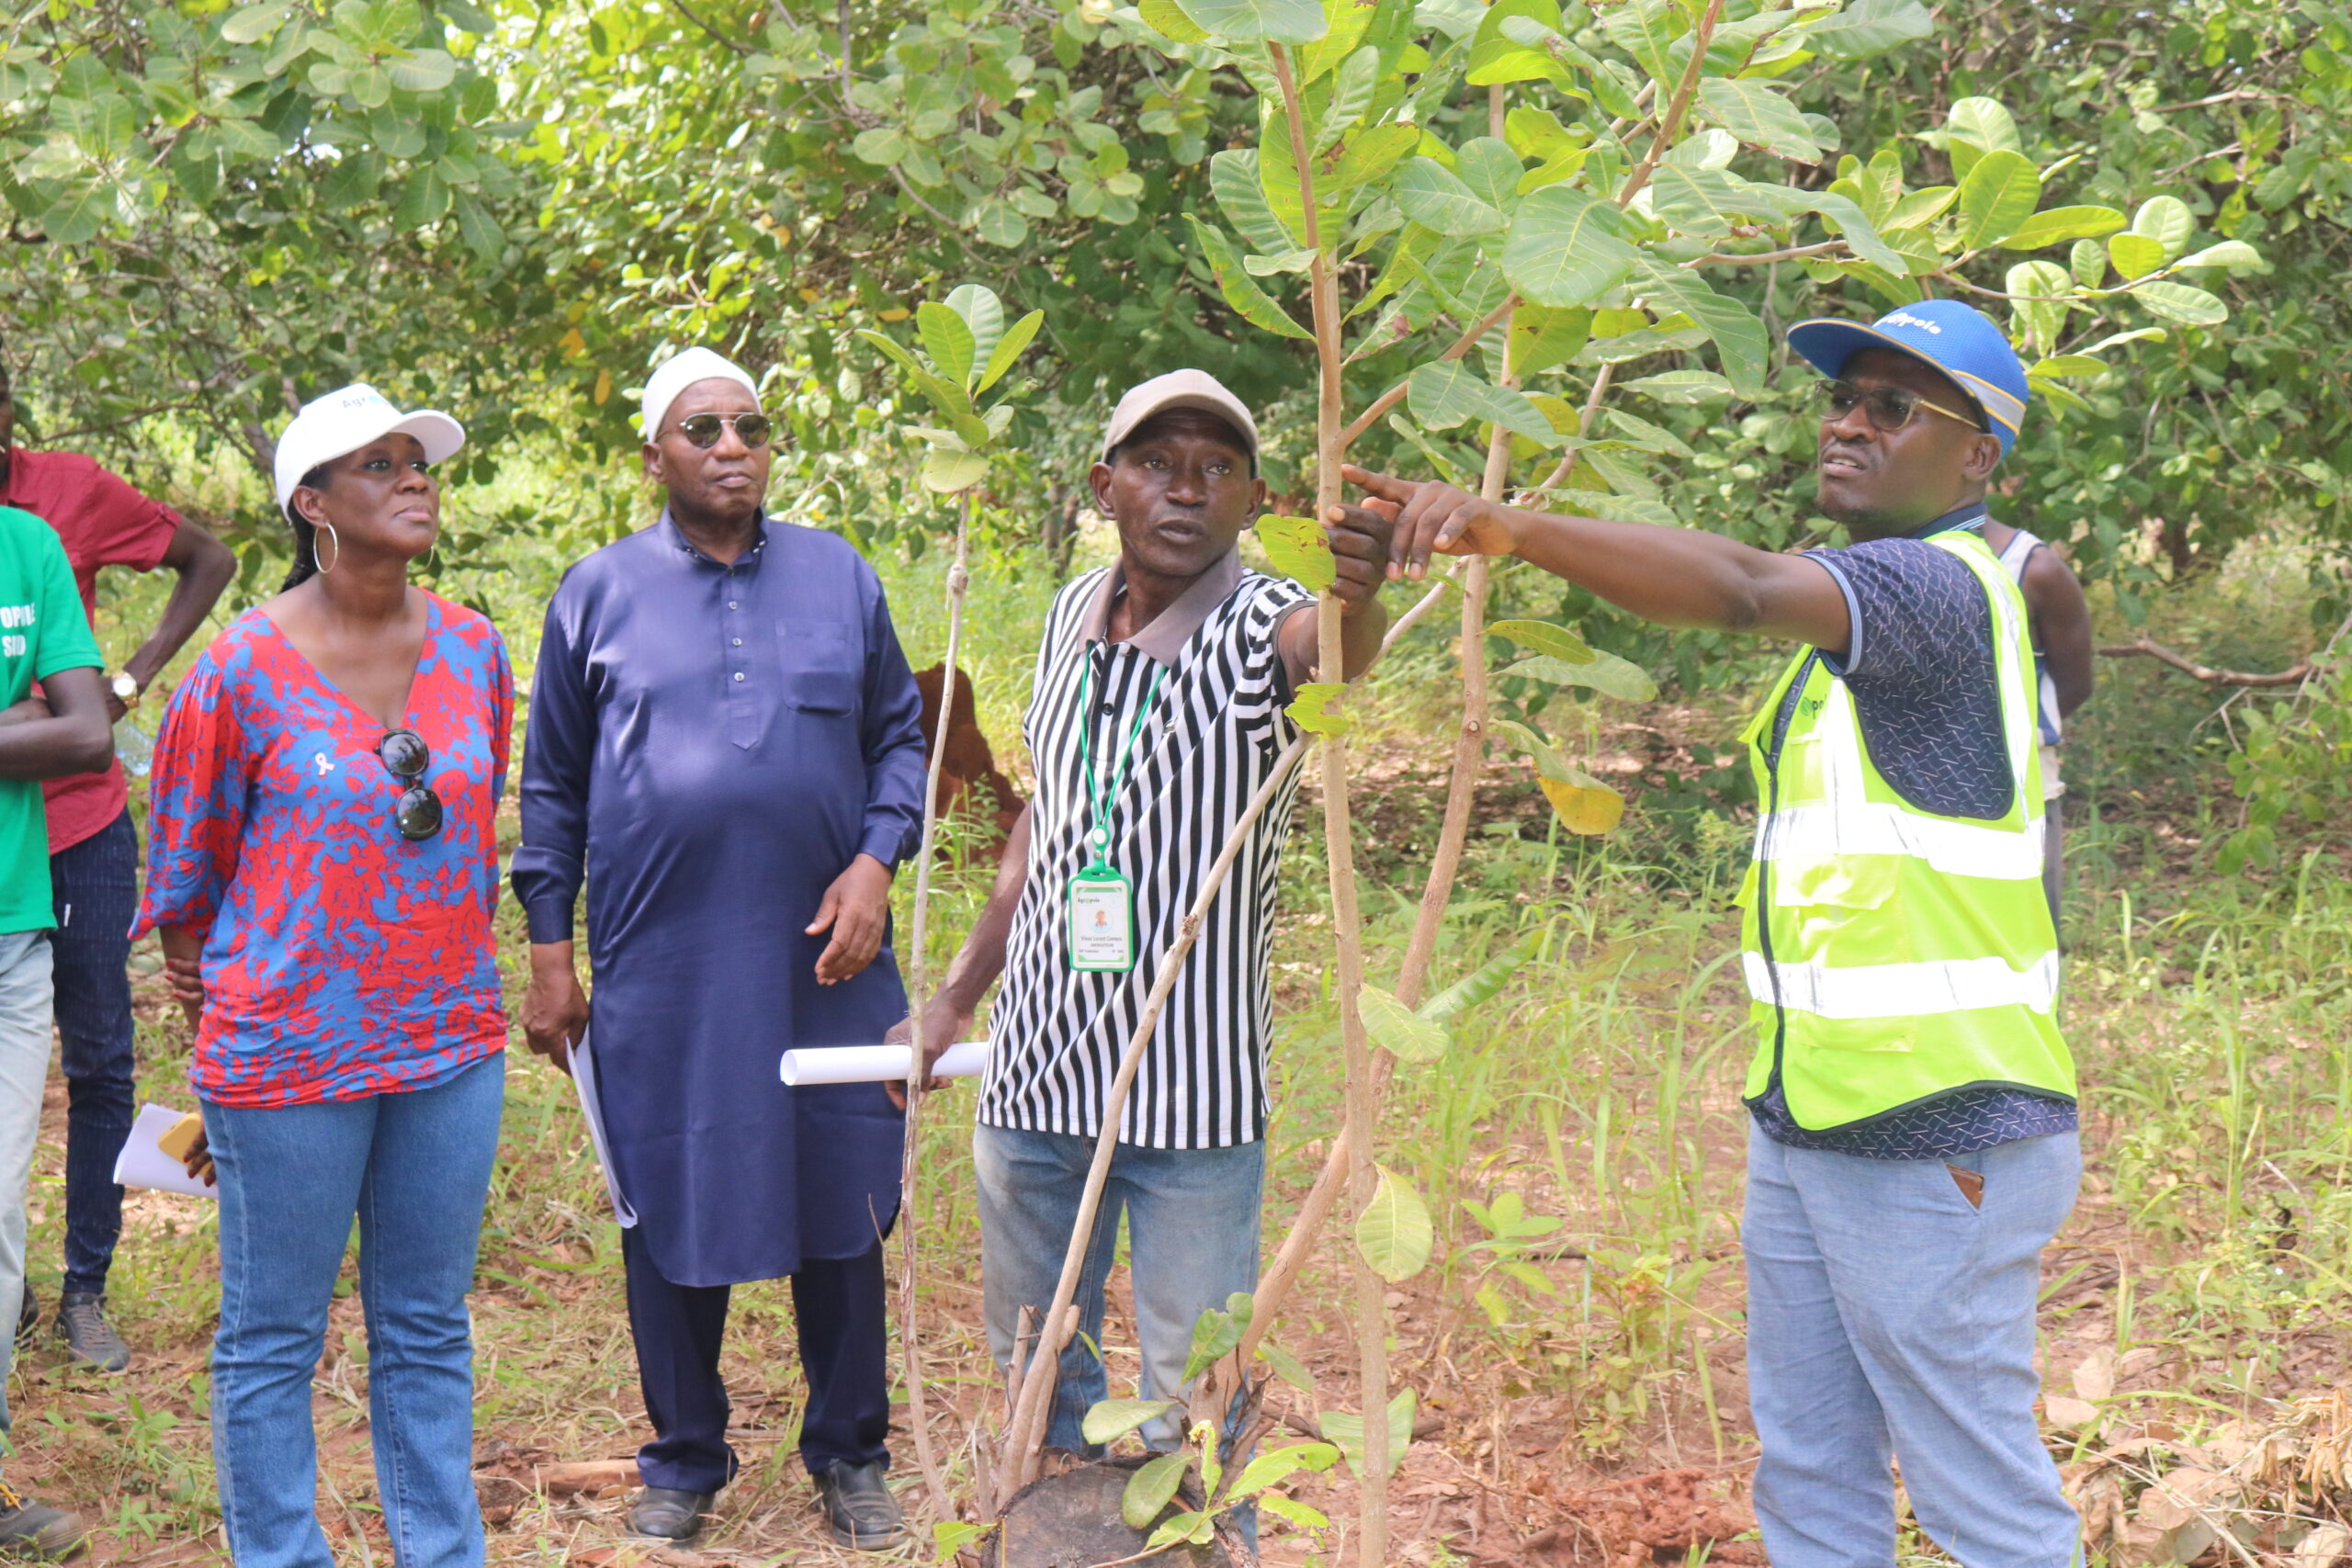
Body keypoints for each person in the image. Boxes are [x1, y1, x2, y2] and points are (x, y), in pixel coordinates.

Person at [1348, 300, 2080, 1566]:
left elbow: (1740, 586)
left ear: (1978, 458)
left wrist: (1507, 527)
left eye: (1893, 405)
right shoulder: (1865, 625)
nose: (1849, 422)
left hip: (1938, 1128)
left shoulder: (1937, 592)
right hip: (1810, 1116)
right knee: (1810, 1476)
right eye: (1842, 399)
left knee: (1985, 1509)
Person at [895, 370, 1393, 1461]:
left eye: (1217, 470)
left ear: (1255, 502)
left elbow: (1336, 653)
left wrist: (1361, 592)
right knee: (1033, 1355)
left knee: (1196, 1393)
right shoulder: (1074, 613)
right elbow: (1048, 823)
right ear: (1102, 485)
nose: (1186, 491)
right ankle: (1044, 1517)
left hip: (1192, 1095)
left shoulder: (1267, 623)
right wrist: (950, 1000)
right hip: (1036, 1070)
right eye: (1157, 464)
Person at [512, 348, 928, 1551]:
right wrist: (552, 953)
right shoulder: (595, 594)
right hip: (667, 960)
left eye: (749, 424)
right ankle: (683, 1457)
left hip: (826, 953)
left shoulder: (838, 577)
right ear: (656, 454)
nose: (732, 444)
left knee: (842, 1195)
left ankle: (851, 1454)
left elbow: (900, 737)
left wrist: (876, 862)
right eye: (703, 429)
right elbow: (553, 790)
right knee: (669, 1194)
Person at [132, 384, 513, 1568]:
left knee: (424, 1326)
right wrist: (242, 982)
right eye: (380, 464)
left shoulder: (474, 647)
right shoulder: (238, 670)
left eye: (419, 460)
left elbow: (474, 825)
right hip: (290, 1052)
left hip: (449, 1042)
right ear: (312, 503)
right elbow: (184, 873)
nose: (414, 479)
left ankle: (442, 1553)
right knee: (274, 1334)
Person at [0, 347, 237, 1371]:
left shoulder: (62, 496)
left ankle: (86, 1289)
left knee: (98, 1059)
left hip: (81, 825)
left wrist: (130, 679)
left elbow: (211, 559)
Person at [0, 491, 115, 1557]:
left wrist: (54, 722)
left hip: (10, 934)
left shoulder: (26, 545)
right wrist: (19, 723)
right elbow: (49, 723)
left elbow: (86, 731)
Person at [1982, 516, 2091, 932]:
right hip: (1908, 794)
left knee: (2025, 940)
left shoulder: (2034, 568)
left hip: (2022, 792)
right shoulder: (1885, 552)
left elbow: (2074, 684)